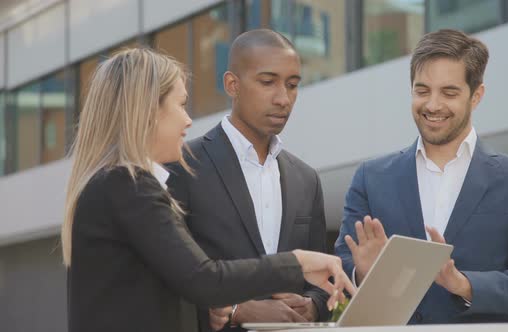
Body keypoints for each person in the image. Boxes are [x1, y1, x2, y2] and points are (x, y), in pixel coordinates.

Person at [62, 48, 354, 332]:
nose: (187, 120)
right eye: (180, 105)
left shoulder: (114, 185)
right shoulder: (129, 186)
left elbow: (165, 286)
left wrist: (221, 308)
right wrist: (298, 262)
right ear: (148, 111)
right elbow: (204, 278)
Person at [335, 29, 508, 324]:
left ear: (476, 95)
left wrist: (463, 283)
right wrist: (363, 273)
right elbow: (343, 267)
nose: (433, 105)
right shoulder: (370, 177)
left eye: (449, 93)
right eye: (422, 90)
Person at [167, 29, 329, 332]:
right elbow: (168, 280)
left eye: (292, 85)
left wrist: (312, 305)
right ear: (232, 84)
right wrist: (234, 310)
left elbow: (320, 281)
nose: (283, 98)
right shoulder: (182, 166)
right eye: (268, 82)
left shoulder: (306, 179)